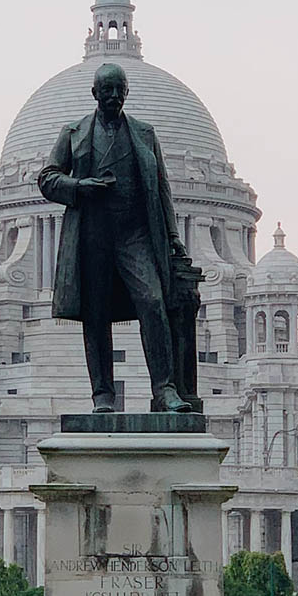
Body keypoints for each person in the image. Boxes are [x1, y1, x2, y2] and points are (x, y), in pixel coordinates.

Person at [38, 62, 191, 413]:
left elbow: (162, 190)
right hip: (93, 235)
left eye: (118, 91)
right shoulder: (73, 132)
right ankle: (103, 396)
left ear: (126, 93)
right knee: (96, 315)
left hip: (135, 233)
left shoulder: (145, 133)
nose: (113, 97)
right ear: (94, 94)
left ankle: (165, 390)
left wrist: (172, 236)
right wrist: (80, 186)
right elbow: (47, 179)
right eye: (106, 91)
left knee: (153, 303)